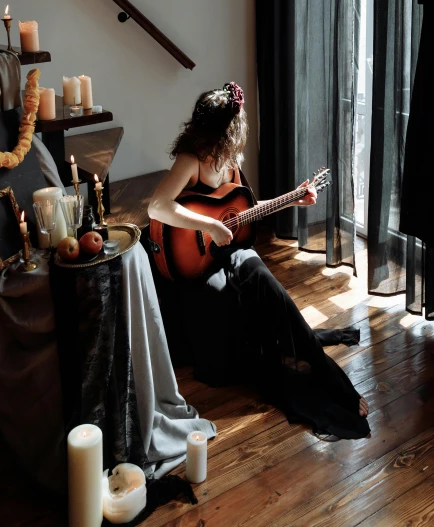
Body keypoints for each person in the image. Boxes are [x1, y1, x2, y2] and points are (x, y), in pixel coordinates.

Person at [148, 82, 370, 440]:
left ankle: (317, 363)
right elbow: (157, 206)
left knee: (259, 273)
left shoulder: (232, 161)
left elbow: (243, 208)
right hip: (197, 264)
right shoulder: (191, 160)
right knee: (244, 277)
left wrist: (293, 200)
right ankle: (318, 365)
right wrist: (209, 225)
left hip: (229, 255)